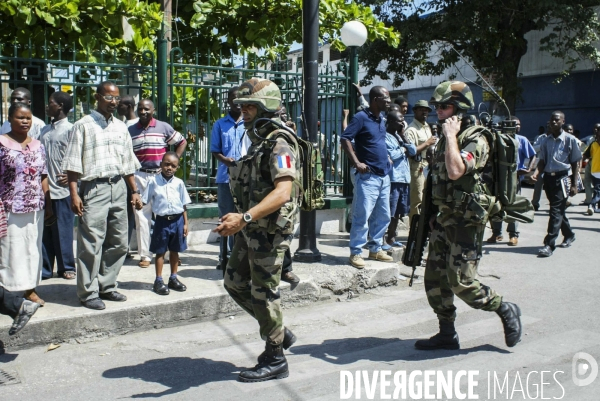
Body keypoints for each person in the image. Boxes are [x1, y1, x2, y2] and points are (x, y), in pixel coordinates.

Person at [414, 81, 522, 351]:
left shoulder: (476, 138)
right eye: (436, 106)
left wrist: (451, 137)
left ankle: (504, 307)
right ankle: (446, 333)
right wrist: (434, 214)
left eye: (444, 106)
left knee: (462, 282)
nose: (438, 111)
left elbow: (455, 171)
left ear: (459, 108)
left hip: (466, 222)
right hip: (444, 219)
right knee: (435, 280)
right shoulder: (442, 139)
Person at [215, 78, 299, 382]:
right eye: (242, 105)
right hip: (252, 228)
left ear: (267, 107)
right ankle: (277, 330)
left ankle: (275, 357)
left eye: (251, 105)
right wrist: (240, 217)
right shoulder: (259, 139)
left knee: (264, 293)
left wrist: (244, 218)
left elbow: (282, 193)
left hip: (268, 233)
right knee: (234, 282)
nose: (244, 111)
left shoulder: (280, 142)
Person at [62, 81, 143, 310]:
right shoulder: (83, 125)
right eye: (109, 97)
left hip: (118, 187)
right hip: (93, 189)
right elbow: (73, 164)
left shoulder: (121, 127)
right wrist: (74, 194)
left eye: (117, 98)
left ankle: (107, 285)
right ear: (98, 97)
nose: (114, 102)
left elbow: (127, 163)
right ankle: (88, 293)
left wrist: (134, 191)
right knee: (91, 242)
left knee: (118, 241)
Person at [0, 103, 51, 306]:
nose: (25, 121)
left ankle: (30, 290)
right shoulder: (2, 144)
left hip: (35, 207)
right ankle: (8, 293)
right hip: (9, 206)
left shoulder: (38, 145)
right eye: (20, 117)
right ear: (10, 119)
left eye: (28, 118)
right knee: (10, 249)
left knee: (32, 249)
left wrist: (49, 202)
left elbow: (43, 175)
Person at [128, 99, 187, 268]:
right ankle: (145, 255)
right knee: (141, 217)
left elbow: (182, 141)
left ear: (153, 110)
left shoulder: (163, 127)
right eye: (140, 109)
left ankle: (169, 253)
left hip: (160, 176)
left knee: (165, 214)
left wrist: (173, 160)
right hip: (140, 176)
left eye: (147, 109)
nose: (143, 112)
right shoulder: (131, 131)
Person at [341, 86, 394, 269]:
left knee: (384, 215)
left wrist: (386, 157)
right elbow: (345, 138)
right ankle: (356, 252)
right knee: (361, 216)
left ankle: (375, 248)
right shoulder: (361, 118)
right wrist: (356, 162)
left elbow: (378, 142)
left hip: (383, 176)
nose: (388, 101)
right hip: (368, 176)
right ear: (375, 100)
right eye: (385, 98)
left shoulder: (381, 119)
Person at [531, 111, 581, 258]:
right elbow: (542, 160)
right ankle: (569, 234)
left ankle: (549, 244)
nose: (553, 122)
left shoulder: (570, 140)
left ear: (563, 122)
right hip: (549, 179)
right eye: (552, 120)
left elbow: (575, 163)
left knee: (555, 211)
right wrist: (536, 173)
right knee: (557, 210)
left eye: (557, 120)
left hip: (563, 179)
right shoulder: (546, 141)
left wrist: (574, 184)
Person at [39, 91, 77, 280]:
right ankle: (46, 269)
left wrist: (72, 176)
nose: (48, 106)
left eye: (51, 103)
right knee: (46, 232)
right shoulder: (45, 130)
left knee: (63, 230)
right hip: (45, 189)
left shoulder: (71, 129)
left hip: (62, 190)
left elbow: (79, 156)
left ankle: (66, 267)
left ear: (60, 106)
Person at [142, 152, 191, 295]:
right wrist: (138, 202)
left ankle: (173, 278)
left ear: (176, 168)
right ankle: (158, 280)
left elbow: (184, 205)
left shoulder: (179, 183)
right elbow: (145, 199)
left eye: (173, 166)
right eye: (167, 164)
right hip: (162, 222)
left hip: (178, 221)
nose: (169, 167)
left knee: (175, 251)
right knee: (160, 251)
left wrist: (185, 224)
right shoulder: (153, 181)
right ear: (161, 164)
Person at [486, 117, 536, 246]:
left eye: (517, 124)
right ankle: (497, 233)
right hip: (498, 178)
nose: (515, 127)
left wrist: (529, 169)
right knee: (496, 205)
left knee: (512, 205)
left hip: (514, 179)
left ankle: (513, 235)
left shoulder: (522, 140)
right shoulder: (498, 138)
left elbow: (532, 155)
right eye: (512, 124)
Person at [211, 87, 245, 272]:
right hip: (225, 178)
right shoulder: (220, 124)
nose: (237, 101)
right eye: (234, 98)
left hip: (246, 179)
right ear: (228, 101)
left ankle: (239, 256)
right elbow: (215, 150)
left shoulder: (250, 123)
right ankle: (223, 256)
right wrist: (226, 161)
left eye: (240, 97)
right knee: (225, 217)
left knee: (242, 217)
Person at [384, 111, 416, 248]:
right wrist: (403, 149)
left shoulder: (399, 136)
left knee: (398, 212)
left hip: (404, 179)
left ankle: (392, 238)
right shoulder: (384, 137)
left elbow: (413, 151)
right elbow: (392, 154)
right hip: (393, 179)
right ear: (390, 122)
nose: (402, 123)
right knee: (389, 212)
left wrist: (403, 136)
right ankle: (382, 240)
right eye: (399, 120)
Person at [405, 100, 437, 224]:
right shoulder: (411, 130)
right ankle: (415, 229)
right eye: (421, 109)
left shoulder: (427, 127)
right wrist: (427, 143)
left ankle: (424, 228)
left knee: (428, 198)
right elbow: (410, 151)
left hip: (428, 165)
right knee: (417, 199)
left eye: (427, 110)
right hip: (417, 166)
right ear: (414, 111)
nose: (425, 112)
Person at [531, 122, 549, 211]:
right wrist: (542, 146)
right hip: (541, 165)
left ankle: (553, 204)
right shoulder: (541, 138)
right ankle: (535, 203)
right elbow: (534, 148)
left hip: (552, 167)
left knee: (551, 187)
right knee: (538, 184)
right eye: (548, 126)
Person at [582, 124, 600, 214]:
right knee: (598, 189)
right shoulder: (593, 144)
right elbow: (585, 154)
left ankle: (596, 206)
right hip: (596, 171)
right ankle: (591, 204)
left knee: (598, 189)